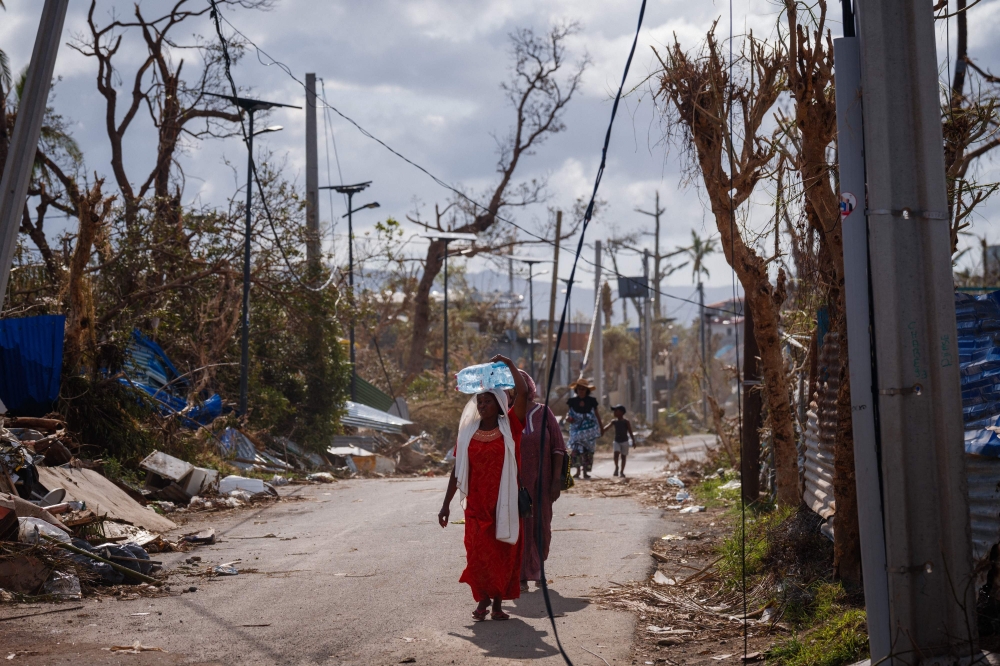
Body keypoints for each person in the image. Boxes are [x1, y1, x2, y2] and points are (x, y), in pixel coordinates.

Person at [439, 355, 528, 621]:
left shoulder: (511, 427)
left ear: (499, 404)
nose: (482, 404)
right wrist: (445, 505)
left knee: (502, 552)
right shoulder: (467, 433)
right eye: (479, 401)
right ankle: (483, 600)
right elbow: (458, 470)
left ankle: (498, 603)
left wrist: (509, 364)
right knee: (477, 553)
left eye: (487, 400)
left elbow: (522, 391)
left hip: (505, 502)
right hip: (477, 505)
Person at [512, 370, 566, 591]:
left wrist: (556, 481)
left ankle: (539, 568)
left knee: (542, 525)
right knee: (521, 527)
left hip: (543, 483)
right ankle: (523, 574)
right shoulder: (505, 416)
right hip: (517, 483)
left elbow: (559, 447)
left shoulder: (544, 412)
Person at [565, 379, 603, 479]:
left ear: (587, 390)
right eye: (579, 389)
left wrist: (601, 427)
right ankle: (577, 471)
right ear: (576, 390)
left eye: (583, 389)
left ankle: (585, 472)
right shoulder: (572, 401)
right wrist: (568, 418)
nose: (581, 390)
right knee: (576, 450)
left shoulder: (592, 401)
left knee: (588, 451)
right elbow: (569, 414)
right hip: (576, 429)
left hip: (590, 430)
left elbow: (597, 415)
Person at [603, 405, 636, 478]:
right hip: (617, 441)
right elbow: (607, 427)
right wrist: (601, 431)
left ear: (621, 412)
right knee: (616, 454)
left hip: (624, 441)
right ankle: (616, 467)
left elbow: (630, 432)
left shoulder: (626, 422)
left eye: (616, 411)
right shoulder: (614, 421)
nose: (614, 412)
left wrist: (633, 441)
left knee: (623, 457)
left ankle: (622, 471)